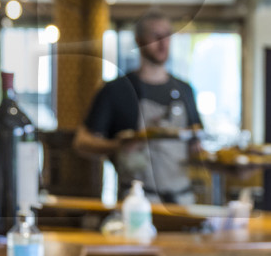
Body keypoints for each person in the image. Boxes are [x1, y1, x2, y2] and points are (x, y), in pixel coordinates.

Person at [75, 11, 203, 205]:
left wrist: (218, 162)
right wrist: (118, 146)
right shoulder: (116, 90)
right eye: (156, 36)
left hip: (182, 200)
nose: (163, 43)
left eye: (167, 36)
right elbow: (81, 142)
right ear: (139, 40)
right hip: (136, 202)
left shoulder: (185, 90)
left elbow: (195, 145)